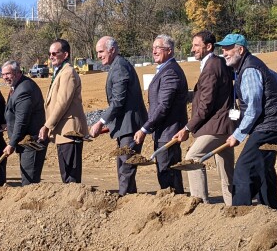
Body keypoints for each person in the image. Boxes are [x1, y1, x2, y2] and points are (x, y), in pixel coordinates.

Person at [219, 34, 277, 209]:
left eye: (228, 48)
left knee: (244, 169)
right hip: (274, 123)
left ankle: (239, 214)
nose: (224, 52)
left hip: (269, 125)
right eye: (223, 49)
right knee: (263, 168)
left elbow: (253, 108)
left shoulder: (249, 69)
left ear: (240, 50)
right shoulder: (251, 64)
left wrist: (238, 134)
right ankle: (270, 210)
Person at [173, 30, 234, 205]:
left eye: (196, 45)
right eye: (193, 45)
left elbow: (206, 105)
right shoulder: (219, 63)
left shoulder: (211, 67)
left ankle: (200, 205)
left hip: (216, 126)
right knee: (226, 169)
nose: (193, 49)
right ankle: (234, 206)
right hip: (226, 125)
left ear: (208, 46)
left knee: (193, 157)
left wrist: (187, 128)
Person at [89, 36, 148, 195]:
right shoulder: (117, 66)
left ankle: (125, 202)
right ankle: (129, 201)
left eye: (101, 51)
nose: (99, 56)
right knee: (123, 166)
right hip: (125, 126)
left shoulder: (120, 67)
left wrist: (100, 122)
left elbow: (118, 101)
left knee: (126, 167)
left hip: (130, 127)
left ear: (112, 50)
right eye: (97, 52)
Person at [133, 34, 188, 193]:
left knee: (168, 174)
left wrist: (145, 128)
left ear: (169, 51)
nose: (154, 51)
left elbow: (164, 105)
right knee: (166, 174)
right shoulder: (165, 70)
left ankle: (175, 207)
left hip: (168, 133)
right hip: (163, 132)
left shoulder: (170, 72)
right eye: (153, 48)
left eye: (158, 48)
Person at [38, 39, 88, 183]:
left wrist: (47, 125)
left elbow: (62, 103)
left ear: (65, 54)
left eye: (55, 53)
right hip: (62, 131)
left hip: (69, 131)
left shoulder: (68, 73)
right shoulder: (60, 72)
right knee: (66, 174)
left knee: (70, 176)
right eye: (49, 53)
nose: (51, 56)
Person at [1, 61, 46, 185]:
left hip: (31, 142)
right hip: (24, 141)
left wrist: (11, 144)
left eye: (8, 74)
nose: (5, 77)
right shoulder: (17, 86)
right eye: (3, 74)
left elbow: (22, 121)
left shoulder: (24, 90)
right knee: (27, 177)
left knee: (29, 181)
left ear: (17, 73)